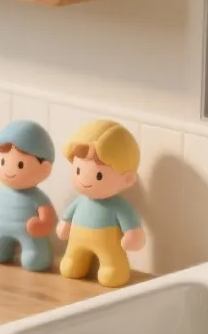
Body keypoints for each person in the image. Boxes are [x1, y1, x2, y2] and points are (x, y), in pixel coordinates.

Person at [57, 119, 146, 288]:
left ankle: (114, 267)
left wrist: (133, 236)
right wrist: (65, 224)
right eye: (78, 170)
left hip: (109, 247)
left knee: (112, 273)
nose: (84, 179)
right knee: (70, 267)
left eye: (98, 176)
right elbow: (68, 215)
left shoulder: (118, 205)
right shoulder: (80, 201)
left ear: (127, 179)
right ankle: (73, 259)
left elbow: (131, 225)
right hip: (77, 241)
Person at [0, 120, 58, 271]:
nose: (9, 169)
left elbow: (49, 217)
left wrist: (42, 225)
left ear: (46, 166)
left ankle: (38, 254)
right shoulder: (2, 192)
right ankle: (1, 249)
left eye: (20, 165)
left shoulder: (36, 197)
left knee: (33, 261)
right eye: (3, 161)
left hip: (29, 234)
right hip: (0, 229)